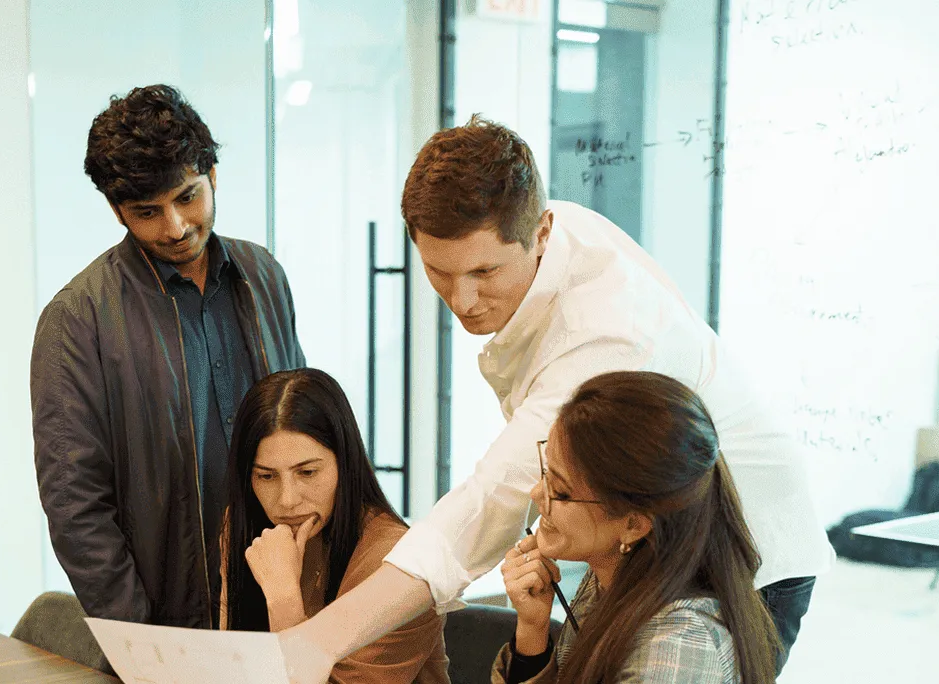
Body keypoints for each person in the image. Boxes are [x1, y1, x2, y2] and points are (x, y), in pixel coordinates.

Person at [276, 116, 832, 682]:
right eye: (439, 272)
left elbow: (489, 502)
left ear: (540, 233)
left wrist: (319, 641)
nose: (461, 300)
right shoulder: (545, 226)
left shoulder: (606, 334)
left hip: (742, 559)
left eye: (484, 271)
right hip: (639, 550)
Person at [31, 84, 306, 631]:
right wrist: (139, 639)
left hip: (288, 597)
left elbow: (307, 428)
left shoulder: (263, 276)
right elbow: (74, 503)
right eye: (147, 212)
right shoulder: (77, 321)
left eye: (187, 197)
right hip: (168, 624)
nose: (175, 227)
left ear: (212, 175)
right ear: (116, 211)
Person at [494, 371, 779, 684]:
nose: (537, 493)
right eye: (546, 472)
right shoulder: (614, 574)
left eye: (559, 490)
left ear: (633, 525)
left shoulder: (673, 651)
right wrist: (532, 633)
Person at [220, 369, 448, 684]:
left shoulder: (400, 560)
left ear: (345, 464)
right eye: (266, 476)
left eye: (307, 473)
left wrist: (283, 597)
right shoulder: (249, 530)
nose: (287, 500)